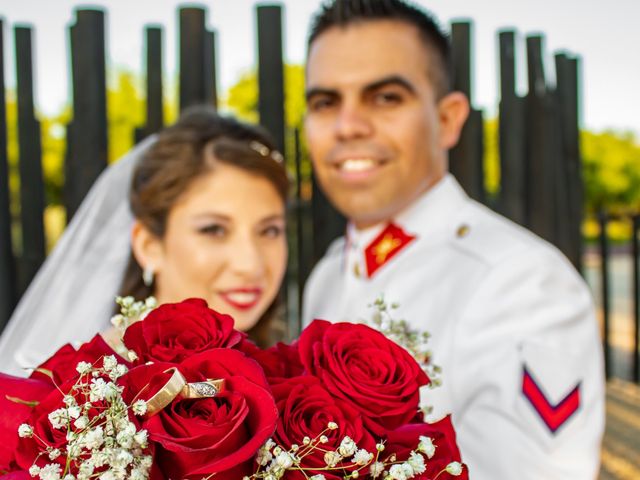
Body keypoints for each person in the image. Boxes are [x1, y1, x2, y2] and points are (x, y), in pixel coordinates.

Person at [301, 1, 604, 479]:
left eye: (385, 98)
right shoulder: (328, 271)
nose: (348, 126)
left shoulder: (523, 283)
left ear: (448, 118)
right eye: (325, 102)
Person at [0, 107, 289, 375]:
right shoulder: (90, 383)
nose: (250, 264)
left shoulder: (290, 373)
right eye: (214, 229)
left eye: (270, 231)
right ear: (148, 245)